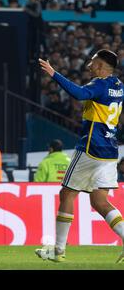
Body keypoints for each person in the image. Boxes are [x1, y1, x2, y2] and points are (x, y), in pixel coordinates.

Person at [36, 50, 124, 263]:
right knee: (100, 202)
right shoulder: (118, 86)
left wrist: (54, 73)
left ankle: (58, 251)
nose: (88, 66)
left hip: (90, 149)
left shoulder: (100, 84)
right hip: (110, 152)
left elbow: (79, 94)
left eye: (93, 63)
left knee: (66, 194)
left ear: (102, 67)